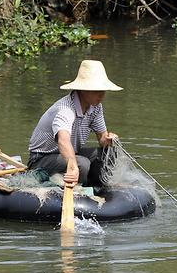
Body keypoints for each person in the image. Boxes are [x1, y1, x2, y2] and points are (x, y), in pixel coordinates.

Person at [28, 60, 122, 188]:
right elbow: (63, 140)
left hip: (66, 155)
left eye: (103, 90)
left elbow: (102, 139)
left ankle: (95, 186)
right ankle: (74, 189)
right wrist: (72, 165)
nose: (101, 95)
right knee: (81, 164)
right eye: (96, 91)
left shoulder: (96, 108)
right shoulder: (66, 109)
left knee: (108, 153)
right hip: (41, 159)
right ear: (83, 90)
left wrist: (110, 140)